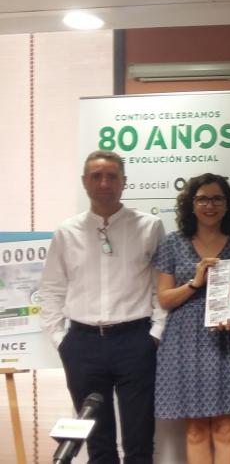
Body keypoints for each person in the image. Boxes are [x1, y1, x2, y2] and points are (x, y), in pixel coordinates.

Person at [38, 150, 164, 463]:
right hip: (82, 345)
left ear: (124, 182)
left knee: (139, 441)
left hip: (136, 342)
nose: (104, 183)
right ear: (85, 182)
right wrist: (60, 340)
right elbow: (52, 289)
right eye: (96, 176)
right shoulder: (67, 232)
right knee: (97, 443)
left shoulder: (150, 227)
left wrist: (156, 334)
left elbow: (161, 285)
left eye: (112, 176)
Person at [152, 173, 230, 463]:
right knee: (196, 430)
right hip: (184, 343)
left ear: (227, 204)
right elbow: (164, 298)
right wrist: (195, 282)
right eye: (202, 199)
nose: (209, 205)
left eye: (216, 198)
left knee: (226, 429)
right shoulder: (172, 243)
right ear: (191, 204)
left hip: (229, 339)